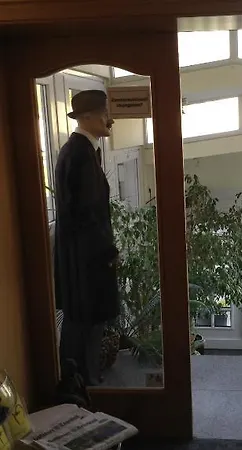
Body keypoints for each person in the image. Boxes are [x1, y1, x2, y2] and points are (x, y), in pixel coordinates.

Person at [54, 90, 119, 386]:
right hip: (87, 263)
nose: (110, 119)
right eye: (106, 112)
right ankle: (83, 390)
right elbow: (89, 213)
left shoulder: (78, 151)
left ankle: (82, 386)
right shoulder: (80, 155)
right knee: (85, 328)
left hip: (81, 261)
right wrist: (108, 253)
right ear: (88, 116)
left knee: (82, 325)